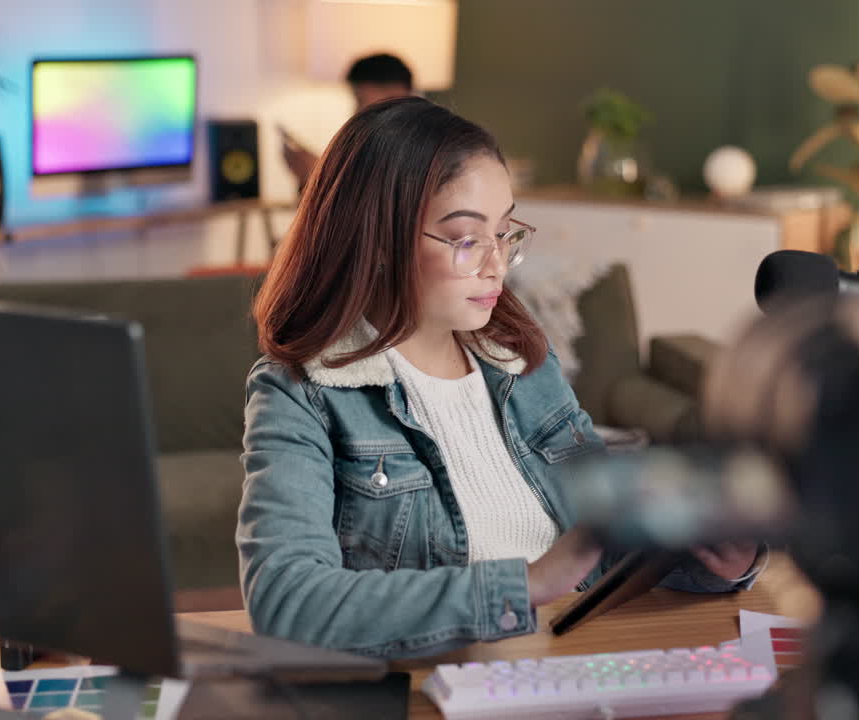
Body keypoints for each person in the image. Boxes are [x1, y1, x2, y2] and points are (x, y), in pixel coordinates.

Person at [239, 97, 764, 659]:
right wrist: (530, 583)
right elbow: (288, 603)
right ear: (379, 242)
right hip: (439, 682)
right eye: (467, 239)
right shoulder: (302, 392)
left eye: (505, 232)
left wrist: (717, 560)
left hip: (573, 661)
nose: (495, 264)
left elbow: (598, 554)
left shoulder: (521, 361)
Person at [281, 53, 415, 188]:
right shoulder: (370, 149)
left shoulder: (420, 153)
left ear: (393, 96)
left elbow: (373, 203)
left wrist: (318, 176)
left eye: (360, 100)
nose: (355, 112)